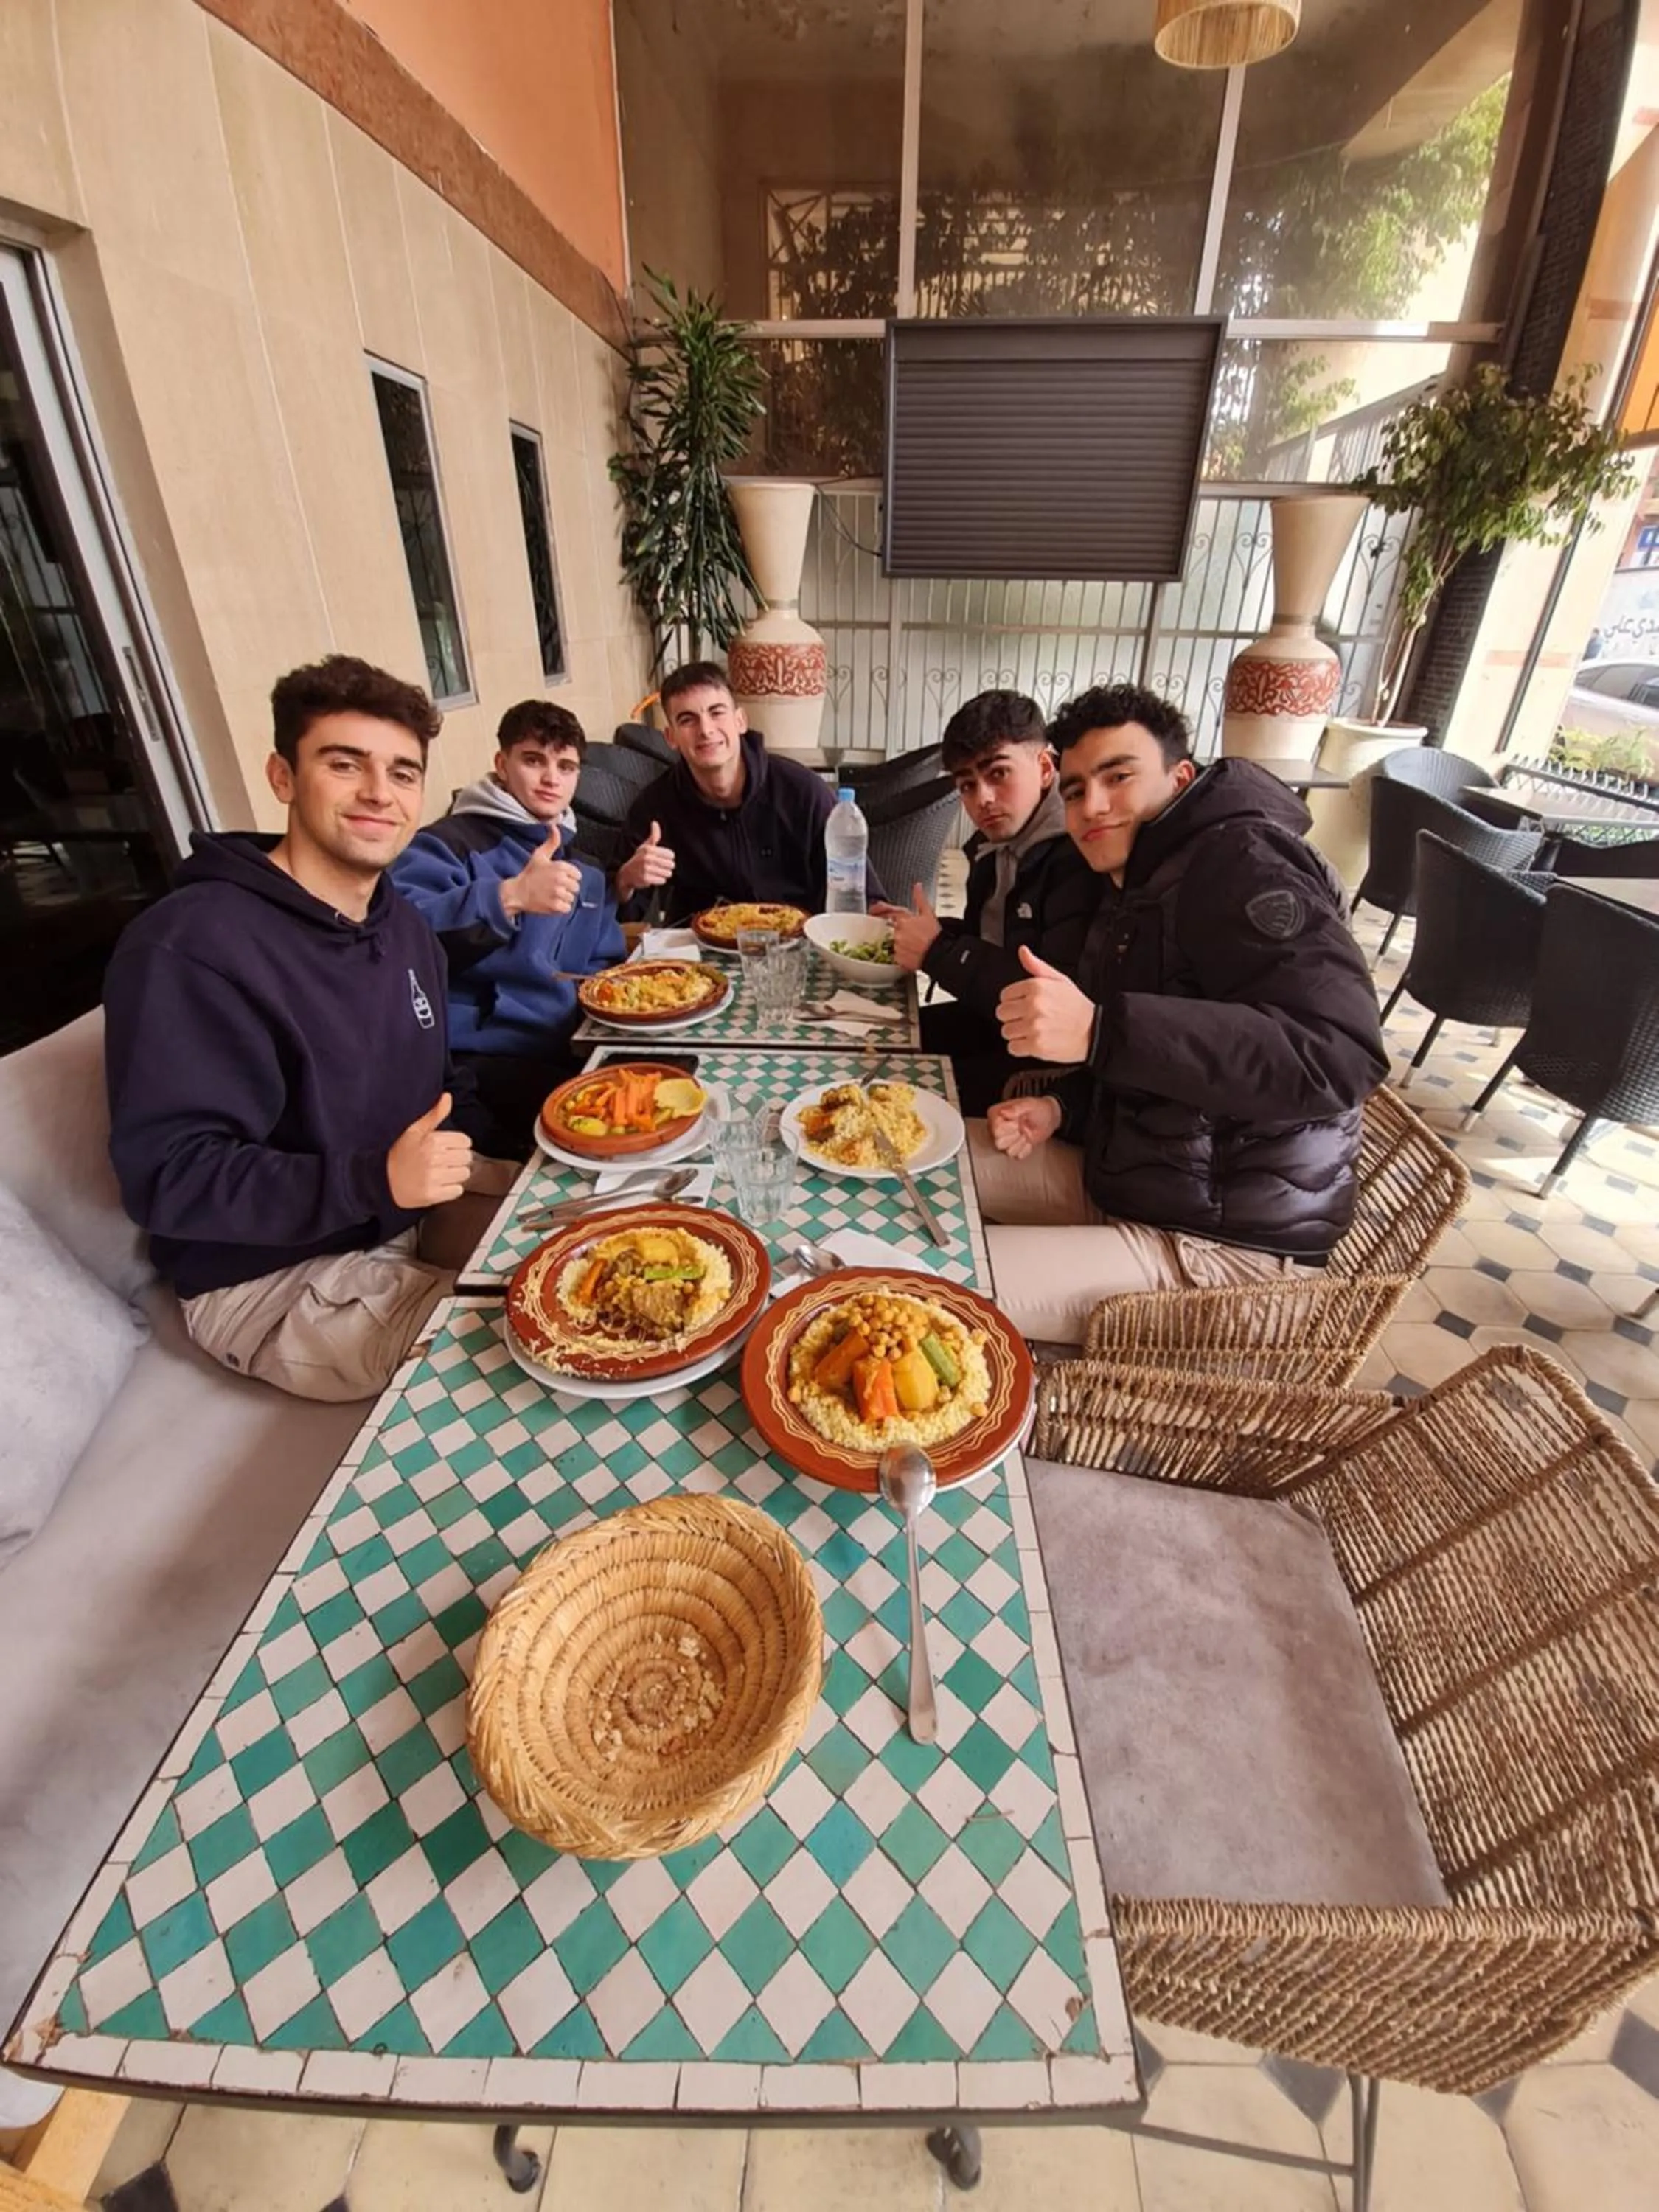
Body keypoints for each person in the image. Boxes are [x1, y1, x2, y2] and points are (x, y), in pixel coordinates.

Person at [104, 655, 482, 1403]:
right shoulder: (191, 946)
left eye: (403, 773)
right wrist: (373, 1179)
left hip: (396, 1212)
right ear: (283, 777)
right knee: (522, 1362)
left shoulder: (399, 924)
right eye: (346, 765)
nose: (380, 792)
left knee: (619, 1237)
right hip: (268, 1276)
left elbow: (439, 1088)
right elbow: (171, 1176)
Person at [971, 681, 1388, 1344]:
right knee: (927, 1160)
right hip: (1137, 1180)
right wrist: (1063, 1109)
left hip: (1230, 1252)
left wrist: (1102, 1030)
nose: (1091, 807)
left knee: (933, 1278)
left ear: (1180, 776)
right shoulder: (1137, 877)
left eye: (1119, 777)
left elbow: (1338, 1052)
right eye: (1076, 790)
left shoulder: (1244, 863)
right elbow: (1164, 1057)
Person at [389, 700, 631, 1158]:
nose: (550, 779)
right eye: (533, 760)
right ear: (502, 764)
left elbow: (605, 966)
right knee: (610, 1138)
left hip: (571, 1045)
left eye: (566, 766)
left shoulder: (585, 868)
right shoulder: (450, 843)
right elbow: (397, 939)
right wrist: (509, 898)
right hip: (477, 1058)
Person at [873, 689, 1097, 1113]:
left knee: (895, 1099)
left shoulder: (1077, 856)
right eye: (968, 785)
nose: (983, 800)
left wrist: (938, 951)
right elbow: (987, 940)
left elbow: (1046, 997)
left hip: (1056, 1069)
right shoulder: (989, 847)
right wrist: (929, 931)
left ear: (1045, 767)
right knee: (882, 1040)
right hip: (991, 1020)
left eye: (999, 775)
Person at [614, 660, 886, 919]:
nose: (706, 730)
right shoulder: (656, 805)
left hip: (796, 947)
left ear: (740, 721)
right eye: (687, 720)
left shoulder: (803, 792)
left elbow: (864, 896)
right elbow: (617, 913)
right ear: (671, 738)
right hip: (697, 951)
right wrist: (626, 880)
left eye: (717, 713)